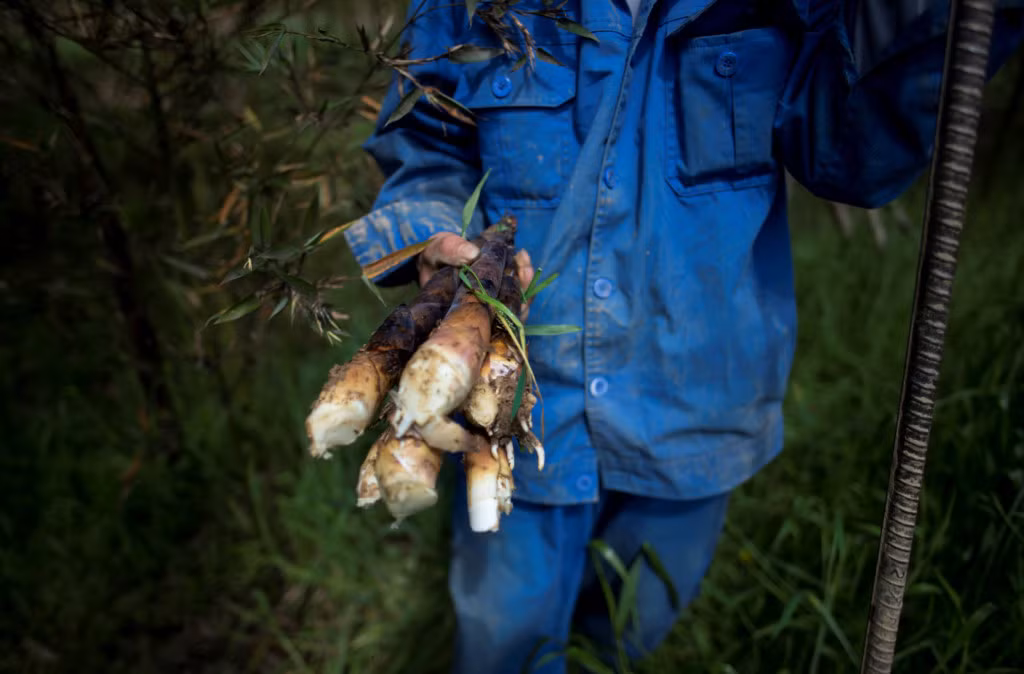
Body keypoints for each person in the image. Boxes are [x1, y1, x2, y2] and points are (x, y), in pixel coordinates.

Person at [342, 1, 1024, 672]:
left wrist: (931, 19)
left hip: (695, 405)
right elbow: (425, 138)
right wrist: (432, 230)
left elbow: (846, 154)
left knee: (632, 628)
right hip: (515, 408)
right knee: (503, 632)